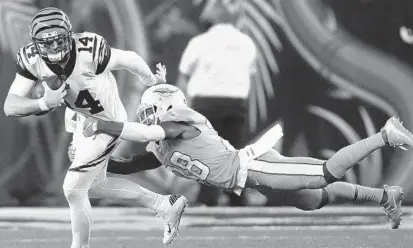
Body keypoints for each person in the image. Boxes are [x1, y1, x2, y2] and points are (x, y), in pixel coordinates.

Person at [3, 7, 187, 248]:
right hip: (82, 120)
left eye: (59, 39)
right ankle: (164, 204)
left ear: (70, 35)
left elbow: (130, 58)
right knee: (95, 186)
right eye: (48, 41)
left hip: (108, 122)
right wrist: (44, 102)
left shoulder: (90, 49)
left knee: (73, 187)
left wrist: (151, 81)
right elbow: (11, 105)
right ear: (36, 44)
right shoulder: (32, 60)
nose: (55, 46)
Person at [82, 84, 409, 231]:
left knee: (324, 174)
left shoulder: (179, 121)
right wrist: (93, 161)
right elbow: (132, 165)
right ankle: (385, 195)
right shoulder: (161, 146)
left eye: (152, 111)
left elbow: (150, 133)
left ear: (170, 108)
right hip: (248, 180)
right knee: (312, 200)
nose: (148, 118)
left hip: (251, 165)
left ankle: (385, 135)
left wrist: (103, 125)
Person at [177, 0, 257, 206]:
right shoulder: (246, 42)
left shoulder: (199, 42)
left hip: (206, 103)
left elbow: (184, 76)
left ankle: (208, 197)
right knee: (235, 153)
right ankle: (237, 198)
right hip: (235, 102)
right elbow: (251, 75)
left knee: (207, 152)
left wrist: (180, 107)